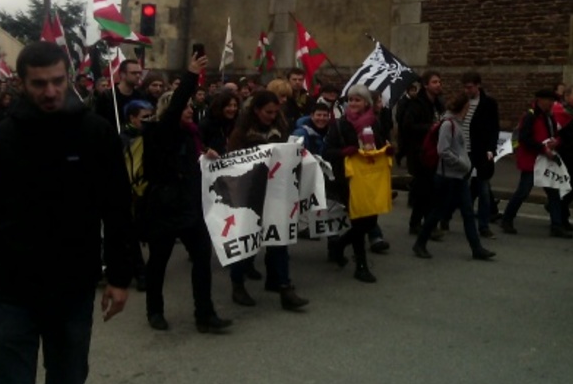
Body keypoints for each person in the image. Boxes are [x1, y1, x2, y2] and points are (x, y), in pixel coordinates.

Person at [0, 42, 133, 384]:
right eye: (39, 84)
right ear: (21, 84)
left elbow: (117, 208)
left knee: (68, 380)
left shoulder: (96, 133)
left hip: (73, 285)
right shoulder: (3, 138)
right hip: (12, 287)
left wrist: (119, 276)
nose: (51, 91)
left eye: (57, 81)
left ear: (68, 77)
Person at [138, 53, 231, 334]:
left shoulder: (192, 135)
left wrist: (206, 154)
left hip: (189, 208)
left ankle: (204, 313)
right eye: (185, 106)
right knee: (159, 262)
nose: (190, 109)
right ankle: (155, 310)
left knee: (202, 258)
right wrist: (190, 76)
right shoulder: (159, 132)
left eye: (191, 106)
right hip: (164, 208)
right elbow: (175, 108)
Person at [227, 90, 309, 311]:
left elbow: (287, 153)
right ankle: (238, 284)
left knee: (279, 239)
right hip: (249, 193)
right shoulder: (241, 132)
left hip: (275, 191)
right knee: (247, 241)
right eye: (267, 112)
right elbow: (233, 162)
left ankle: (283, 285)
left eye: (275, 112)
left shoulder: (280, 128)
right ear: (256, 110)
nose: (272, 116)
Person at [411, 93, 496, 260]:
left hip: (459, 176)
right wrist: (462, 164)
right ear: (463, 107)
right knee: (437, 212)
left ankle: (476, 248)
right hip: (447, 176)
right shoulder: (448, 125)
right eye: (467, 108)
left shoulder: (457, 124)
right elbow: (443, 151)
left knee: (468, 213)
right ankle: (420, 243)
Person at [324, 85, 392, 282]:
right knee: (359, 220)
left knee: (370, 221)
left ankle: (339, 245)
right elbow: (327, 152)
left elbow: (380, 144)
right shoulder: (339, 125)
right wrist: (344, 152)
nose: (353, 103)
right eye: (351, 100)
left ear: (366, 104)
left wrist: (387, 149)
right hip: (349, 179)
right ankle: (361, 266)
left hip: (371, 178)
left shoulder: (375, 122)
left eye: (358, 100)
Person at [501, 88, 561, 236]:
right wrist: (543, 148)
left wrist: (555, 142)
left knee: (553, 193)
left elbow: (555, 134)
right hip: (532, 160)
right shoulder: (530, 116)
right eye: (549, 100)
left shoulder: (549, 116)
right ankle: (507, 219)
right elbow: (525, 139)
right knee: (523, 192)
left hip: (545, 159)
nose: (551, 104)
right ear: (540, 100)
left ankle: (557, 226)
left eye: (552, 101)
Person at [398, 71, 445, 235]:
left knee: (425, 190)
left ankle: (417, 223)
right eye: (434, 82)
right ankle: (425, 225)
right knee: (426, 189)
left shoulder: (438, 104)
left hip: (435, 152)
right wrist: (430, 127)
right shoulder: (416, 104)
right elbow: (407, 126)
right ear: (426, 85)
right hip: (420, 153)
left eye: (439, 81)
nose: (438, 84)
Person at [120, 99, 154, 292]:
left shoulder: (152, 136)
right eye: (144, 117)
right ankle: (140, 273)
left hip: (150, 190)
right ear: (132, 118)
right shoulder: (122, 139)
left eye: (151, 116)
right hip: (131, 192)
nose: (149, 120)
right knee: (131, 236)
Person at [461, 72, 501, 239]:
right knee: (457, 187)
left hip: (480, 151)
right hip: (463, 151)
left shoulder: (488, 104)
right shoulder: (462, 102)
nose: (467, 90)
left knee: (484, 190)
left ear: (478, 86)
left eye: (469, 87)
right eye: (465, 87)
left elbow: (494, 128)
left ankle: (483, 226)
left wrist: (491, 150)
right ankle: (445, 217)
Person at [551, 84, 573, 233]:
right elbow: (557, 134)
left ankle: (561, 212)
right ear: (566, 96)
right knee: (572, 185)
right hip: (566, 155)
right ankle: (561, 215)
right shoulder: (559, 112)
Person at [96, 58, 143, 129]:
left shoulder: (140, 96)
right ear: (122, 74)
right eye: (134, 73)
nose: (138, 76)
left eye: (139, 73)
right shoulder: (108, 96)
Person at [199, 90, 240, 155]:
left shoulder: (235, 124)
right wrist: (207, 150)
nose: (233, 109)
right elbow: (199, 145)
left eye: (235, 105)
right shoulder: (206, 125)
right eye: (229, 106)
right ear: (220, 107)